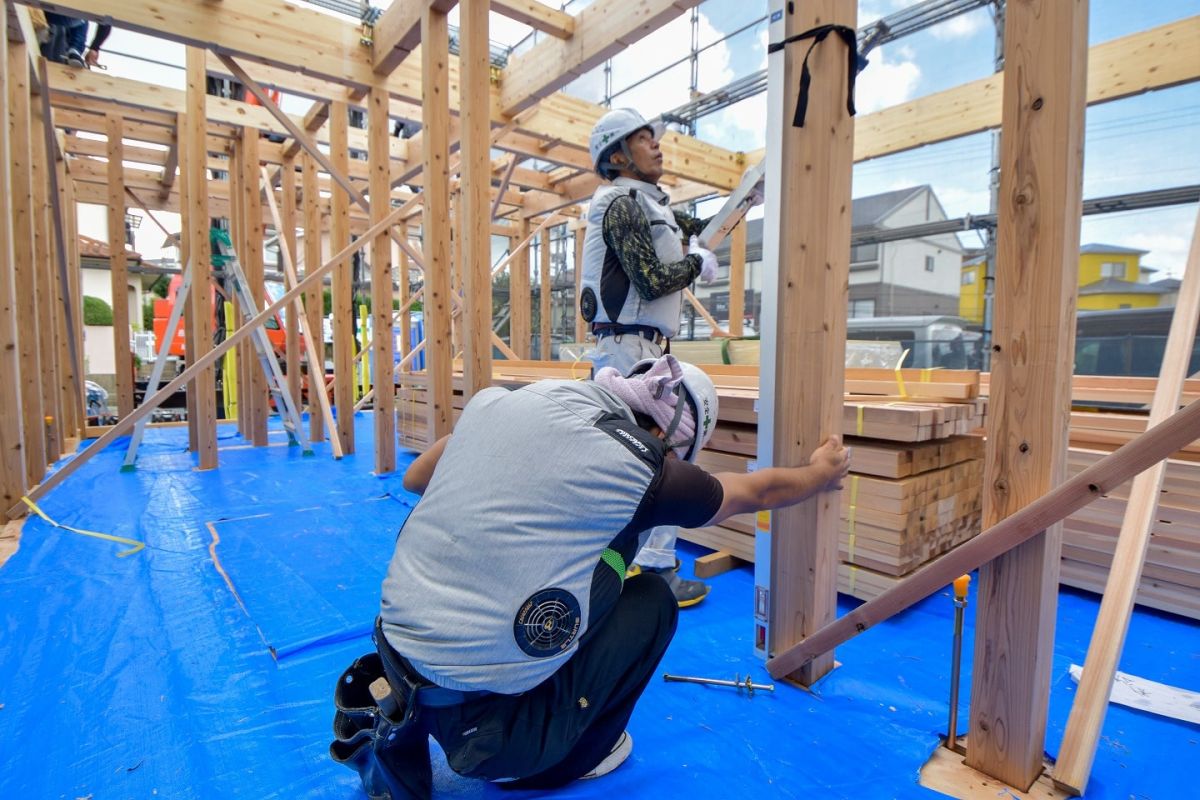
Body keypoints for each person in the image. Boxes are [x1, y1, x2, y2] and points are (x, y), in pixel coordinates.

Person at [330, 354, 850, 799]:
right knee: (649, 597)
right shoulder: (641, 465)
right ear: (673, 441)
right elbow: (754, 492)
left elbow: (417, 477)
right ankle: (569, 753)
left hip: (396, 668)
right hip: (490, 731)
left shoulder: (506, 401)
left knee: (587, 558)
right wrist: (821, 474)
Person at [578, 108, 762, 607]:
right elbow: (651, 279)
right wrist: (694, 264)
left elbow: (700, 226)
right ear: (617, 156)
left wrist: (741, 205)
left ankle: (638, 565)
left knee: (659, 452)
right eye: (643, 140)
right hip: (625, 346)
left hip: (641, 345)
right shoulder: (619, 205)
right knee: (660, 453)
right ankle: (654, 570)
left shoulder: (649, 203)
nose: (657, 146)